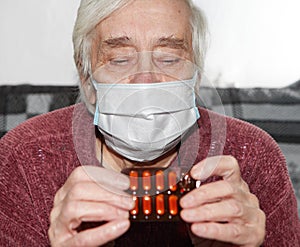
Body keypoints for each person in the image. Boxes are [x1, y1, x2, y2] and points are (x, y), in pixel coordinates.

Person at [0, 0, 299, 246]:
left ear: (196, 75)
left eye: (168, 58)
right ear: (86, 78)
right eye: (119, 60)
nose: (145, 80)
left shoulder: (254, 156)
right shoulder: (23, 160)